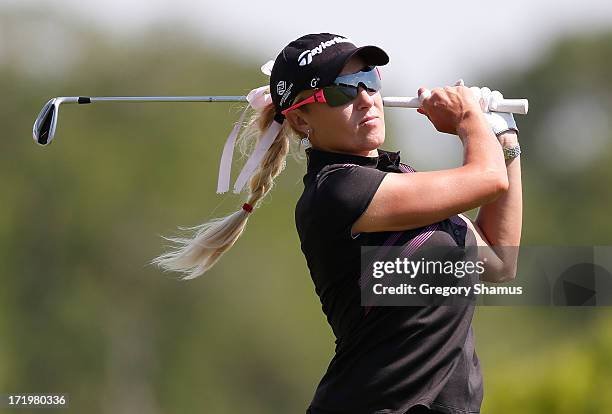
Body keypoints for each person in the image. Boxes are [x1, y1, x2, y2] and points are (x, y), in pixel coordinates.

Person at [153, 33, 523, 414]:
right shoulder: (338, 191)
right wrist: (469, 119)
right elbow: (487, 179)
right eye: (342, 90)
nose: (365, 98)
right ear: (300, 118)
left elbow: (498, 259)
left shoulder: (402, 180)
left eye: (370, 80)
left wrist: (505, 137)